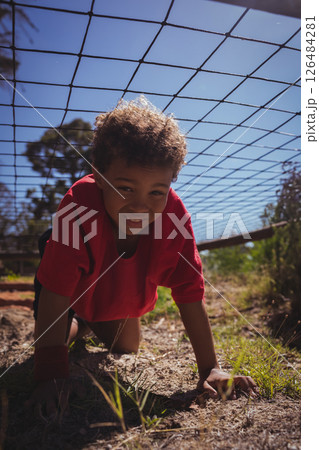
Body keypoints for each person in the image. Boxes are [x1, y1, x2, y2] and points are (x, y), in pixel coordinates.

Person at [27, 96, 257, 418]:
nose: (140, 206)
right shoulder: (77, 206)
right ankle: (72, 321)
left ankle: (83, 320)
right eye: (125, 188)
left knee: (126, 347)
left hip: (114, 284)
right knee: (58, 335)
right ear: (98, 174)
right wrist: (50, 374)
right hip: (67, 287)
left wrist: (210, 369)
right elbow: (55, 290)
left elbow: (190, 293)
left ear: (169, 186)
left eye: (155, 193)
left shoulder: (175, 218)